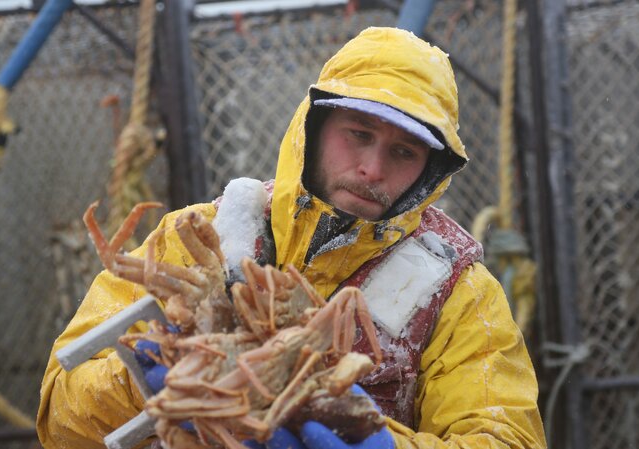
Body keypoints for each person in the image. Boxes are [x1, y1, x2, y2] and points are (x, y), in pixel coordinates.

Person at [37, 26, 546, 449]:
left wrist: (377, 441)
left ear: (429, 172)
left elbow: (505, 437)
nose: (372, 168)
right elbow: (60, 419)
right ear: (315, 126)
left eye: (403, 153)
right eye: (359, 134)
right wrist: (134, 378)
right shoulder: (193, 234)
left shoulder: (461, 292)